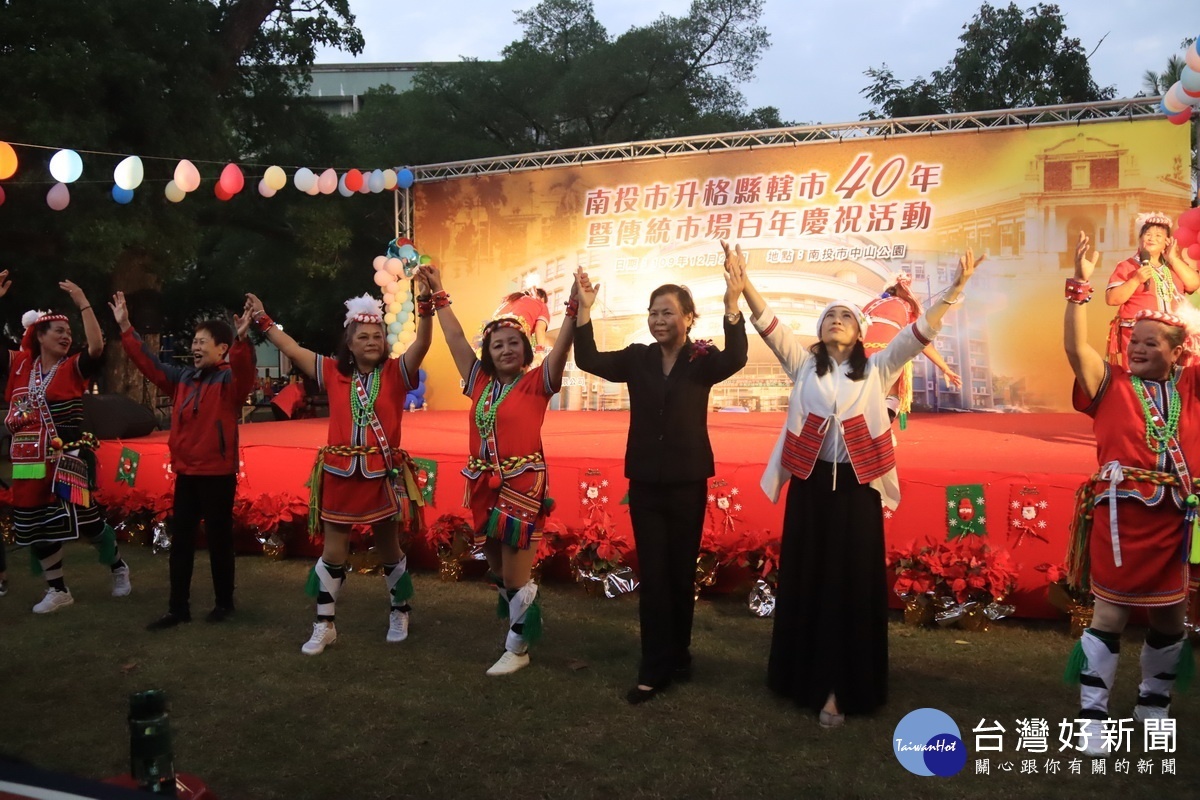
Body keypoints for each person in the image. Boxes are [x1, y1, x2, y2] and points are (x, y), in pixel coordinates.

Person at [736, 242, 981, 726]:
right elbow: (767, 324)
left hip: (857, 492)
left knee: (850, 588)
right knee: (808, 583)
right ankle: (800, 678)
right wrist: (743, 283)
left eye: (845, 317)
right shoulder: (801, 363)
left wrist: (955, 289)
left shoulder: (879, 367)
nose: (835, 321)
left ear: (860, 332)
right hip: (808, 491)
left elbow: (920, 332)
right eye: (829, 317)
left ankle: (842, 686)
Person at [574, 248, 748, 703]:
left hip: (689, 480)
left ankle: (680, 653)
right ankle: (653, 668)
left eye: (667, 312)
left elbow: (737, 358)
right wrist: (585, 310)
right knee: (654, 573)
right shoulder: (637, 358)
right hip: (646, 484)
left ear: (689, 318)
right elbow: (589, 358)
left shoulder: (704, 359)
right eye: (653, 313)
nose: (658, 320)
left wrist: (734, 304)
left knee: (679, 573)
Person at [1064, 230, 1197, 756]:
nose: (1138, 348)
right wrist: (1080, 286)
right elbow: (1076, 346)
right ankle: (1092, 716)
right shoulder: (1110, 384)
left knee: (1169, 616)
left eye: (1151, 343)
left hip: (1173, 520)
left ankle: (1153, 704)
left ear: (1176, 350)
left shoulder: (1191, 386)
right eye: (1134, 341)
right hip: (1122, 518)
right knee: (1110, 616)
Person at [244, 288, 432, 655]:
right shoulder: (331, 372)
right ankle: (324, 624)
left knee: (390, 548)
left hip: (382, 476)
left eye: (378, 335)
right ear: (349, 342)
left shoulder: (396, 372)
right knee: (333, 553)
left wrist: (425, 306)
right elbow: (293, 350)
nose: (372, 341)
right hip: (340, 474)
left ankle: (400, 609)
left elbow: (423, 341)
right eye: (363, 336)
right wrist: (263, 321)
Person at [419, 263, 576, 675]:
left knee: (514, 573)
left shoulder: (537, 383)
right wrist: (440, 293)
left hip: (522, 486)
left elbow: (560, 351)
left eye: (513, 343)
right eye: (497, 345)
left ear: (525, 349)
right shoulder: (479, 384)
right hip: (484, 485)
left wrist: (576, 311)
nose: (506, 350)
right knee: (496, 568)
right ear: (487, 353)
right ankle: (522, 626)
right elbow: (453, 338)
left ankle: (518, 648)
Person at [111, 293, 255, 629]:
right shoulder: (182, 380)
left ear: (222, 349)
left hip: (218, 474)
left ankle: (224, 604)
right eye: (194, 340)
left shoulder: (230, 382)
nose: (196, 346)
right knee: (181, 543)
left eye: (203, 341)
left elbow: (245, 369)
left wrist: (243, 340)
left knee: (220, 541)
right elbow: (149, 364)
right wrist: (125, 327)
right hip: (186, 473)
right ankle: (178, 608)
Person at [1, 273, 130, 613]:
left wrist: (83, 303)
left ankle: (118, 566)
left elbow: (97, 346)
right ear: (38, 335)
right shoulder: (18, 365)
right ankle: (58, 589)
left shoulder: (73, 366)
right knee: (35, 522)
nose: (66, 336)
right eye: (58, 331)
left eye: (69, 332)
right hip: (29, 459)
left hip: (68, 454)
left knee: (85, 520)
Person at [860, 272, 962, 424]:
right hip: (887, 353)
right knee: (890, 397)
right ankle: (884, 426)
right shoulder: (907, 306)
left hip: (858, 353)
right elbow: (921, 340)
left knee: (860, 399)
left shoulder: (872, 304)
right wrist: (945, 368)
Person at [1103, 212, 1199, 367]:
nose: (1152, 238)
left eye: (1158, 235)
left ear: (1167, 242)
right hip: (1140, 337)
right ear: (1140, 239)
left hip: (1172, 337)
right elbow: (1112, 299)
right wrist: (1135, 280)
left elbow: (1194, 284)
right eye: (1147, 234)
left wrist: (1173, 258)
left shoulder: (1174, 267)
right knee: (1138, 382)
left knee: (1173, 382)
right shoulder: (1127, 266)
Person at [494, 288, 552, 359]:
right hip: (515, 331)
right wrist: (540, 353)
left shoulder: (514, 298)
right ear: (542, 299)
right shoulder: (541, 305)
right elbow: (540, 330)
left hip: (492, 329)